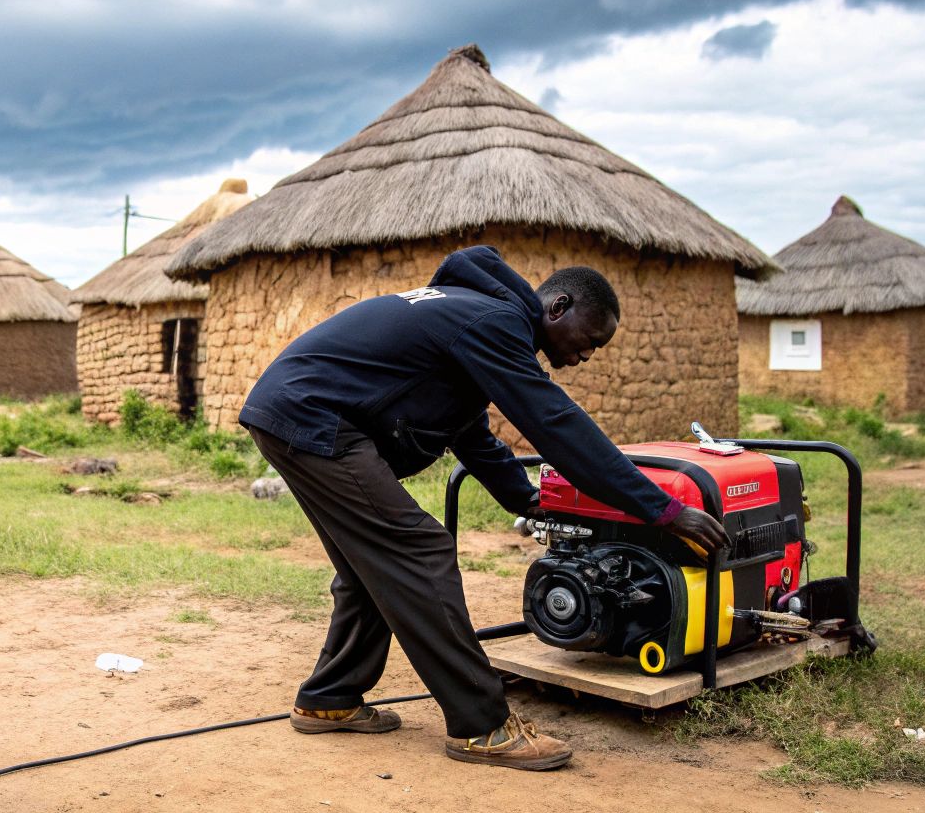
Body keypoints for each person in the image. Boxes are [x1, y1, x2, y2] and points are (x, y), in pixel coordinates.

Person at [241, 245, 729, 771]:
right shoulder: (495, 321)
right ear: (558, 307)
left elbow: (470, 435)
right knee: (419, 550)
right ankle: (483, 726)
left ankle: (329, 700)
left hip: (294, 412)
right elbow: (556, 422)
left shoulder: (473, 317)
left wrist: (532, 501)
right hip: (317, 420)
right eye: (590, 340)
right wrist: (663, 510)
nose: (587, 355)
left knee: (371, 566)